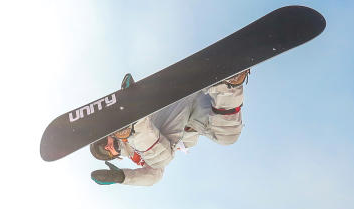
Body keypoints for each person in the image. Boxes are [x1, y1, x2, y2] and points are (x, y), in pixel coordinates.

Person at [89, 69, 249, 186]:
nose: (108, 146)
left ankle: (134, 125)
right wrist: (121, 177)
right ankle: (227, 85)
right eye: (105, 151)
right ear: (115, 157)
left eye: (104, 142)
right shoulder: (137, 158)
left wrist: (132, 98)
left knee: (160, 159)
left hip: (174, 108)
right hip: (196, 119)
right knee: (228, 137)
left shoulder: (136, 146)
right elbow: (154, 177)